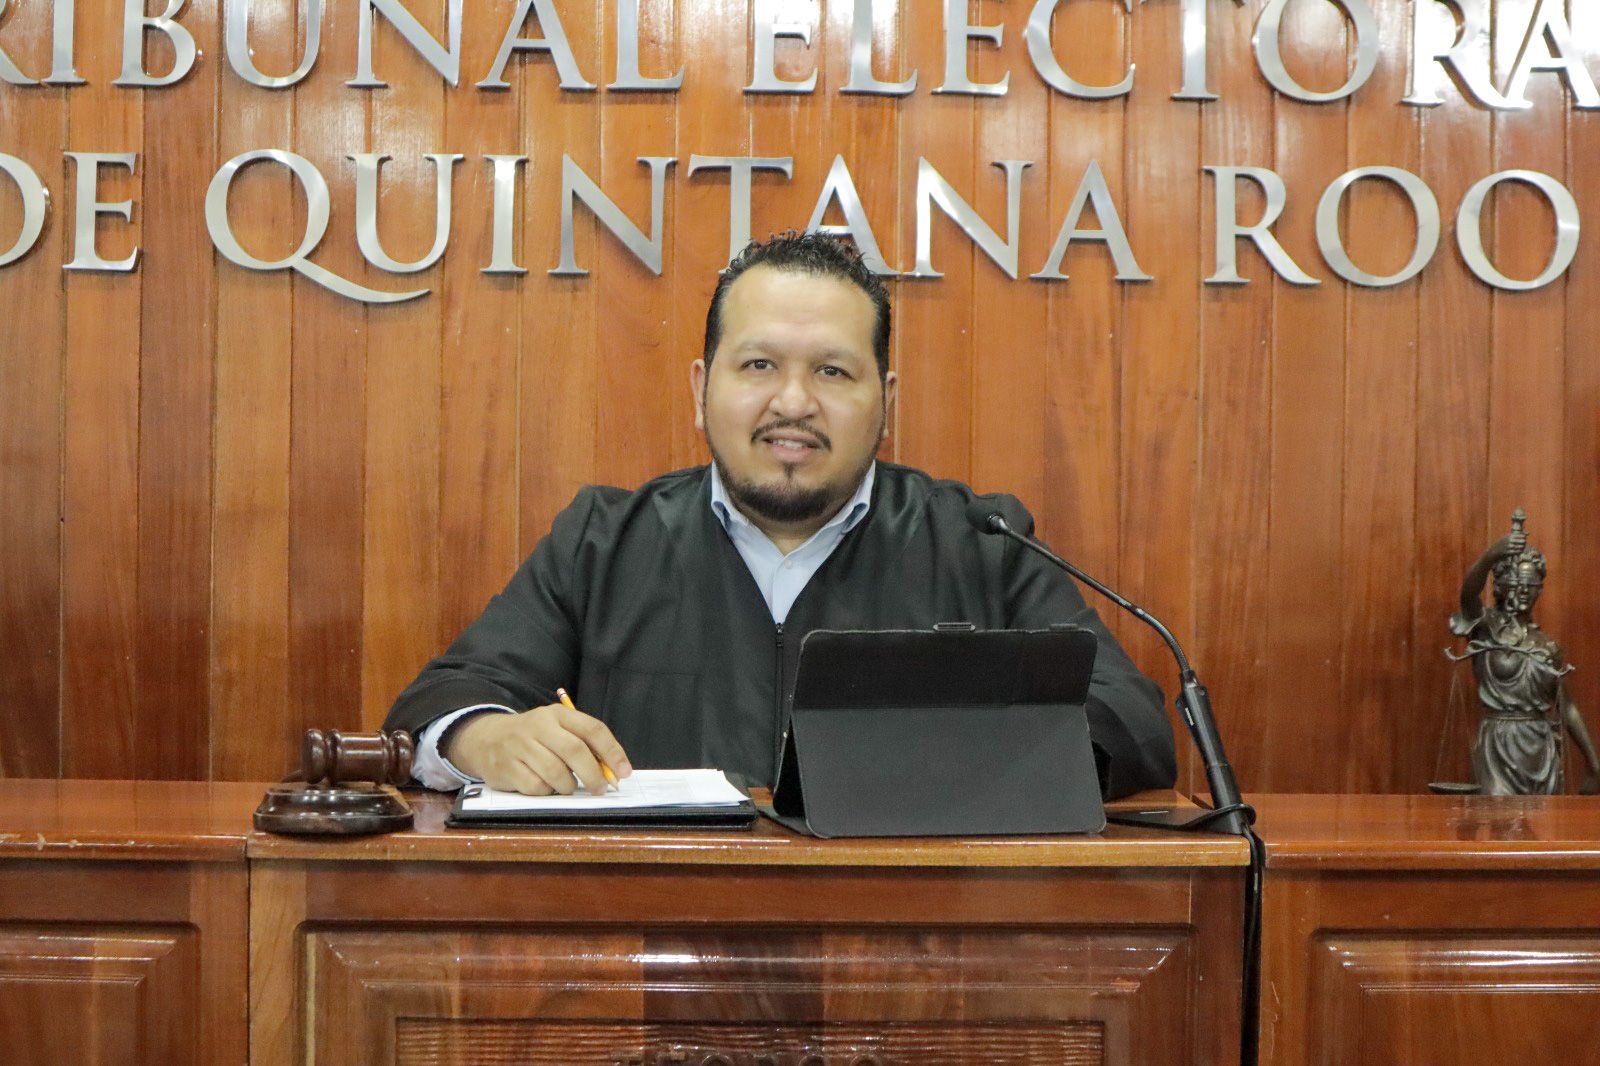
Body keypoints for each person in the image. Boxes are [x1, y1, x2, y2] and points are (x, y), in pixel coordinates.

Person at [384, 232, 1176, 800]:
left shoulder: (978, 544)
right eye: (759, 365)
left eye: (832, 371)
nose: (793, 403)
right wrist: (485, 738)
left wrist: (952, 757)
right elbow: (442, 701)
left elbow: (1132, 722)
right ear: (702, 389)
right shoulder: (603, 542)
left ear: (885, 403)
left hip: (911, 947)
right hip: (650, 948)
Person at [1447, 510, 1600, 795]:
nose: (1524, 591)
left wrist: (1594, 763)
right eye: (1517, 584)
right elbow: (1468, 594)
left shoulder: (1546, 645)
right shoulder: (1487, 627)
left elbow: (1566, 707)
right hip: (1498, 744)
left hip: (1541, 747)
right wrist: (1491, 556)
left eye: (1532, 585)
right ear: (1500, 587)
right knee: (1499, 817)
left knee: (1542, 820)